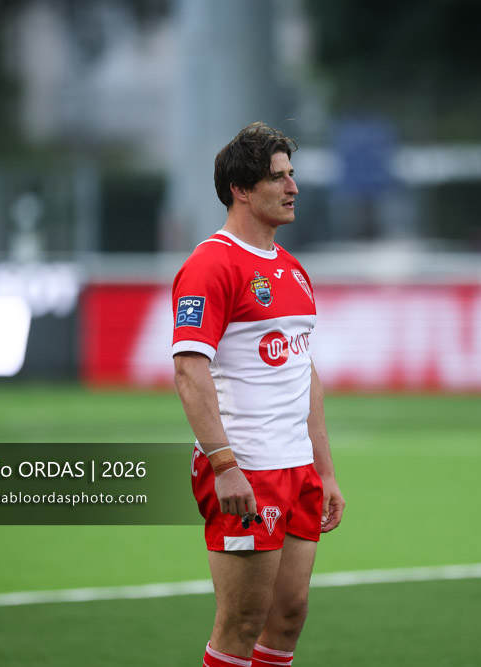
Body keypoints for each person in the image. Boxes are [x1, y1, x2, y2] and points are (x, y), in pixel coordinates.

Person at [172, 122, 345, 667]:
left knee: (289, 614)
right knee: (241, 621)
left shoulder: (293, 270)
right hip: (247, 468)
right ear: (240, 189)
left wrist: (325, 470)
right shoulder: (211, 264)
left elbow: (304, 373)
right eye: (277, 178)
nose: (292, 187)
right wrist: (224, 464)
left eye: (292, 175)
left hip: (297, 471)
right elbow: (188, 370)